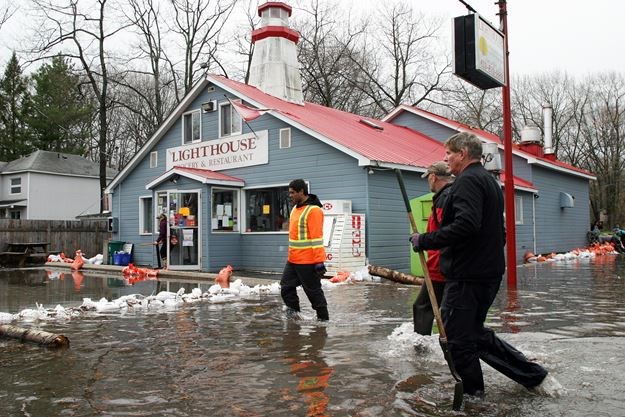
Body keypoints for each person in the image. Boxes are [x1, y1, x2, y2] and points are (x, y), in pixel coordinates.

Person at [409, 132, 548, 397]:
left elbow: (466, 225)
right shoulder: (489, 182)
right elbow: (499, 232)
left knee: (457, 340)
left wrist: (424, 240)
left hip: (467, 276)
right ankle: (533, 376)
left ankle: (473, 398)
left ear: (462, 153)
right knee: (473, 334)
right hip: (486, 273)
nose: (445, 158)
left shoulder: (467, 183)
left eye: (449, 153)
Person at [413, 161, 454, 335]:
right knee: (448, 309)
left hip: (441, 265)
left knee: (422, 306)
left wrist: (422, 241)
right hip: (450, 264)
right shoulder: (452, 194)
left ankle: (421, 350)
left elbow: (444, 235)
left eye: (428, 178)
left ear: (433, 176)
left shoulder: (443, 199)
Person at [280, 179, 329, 321]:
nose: (290, 195)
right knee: (286, 287)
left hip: (308, 261)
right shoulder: (295, 209)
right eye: (289, 193)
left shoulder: (314, 210)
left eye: (292, 193)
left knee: (313, 292)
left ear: (302, 191)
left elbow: (317, 238)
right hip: (293, 259)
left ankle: (323, 320)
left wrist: (319, 262)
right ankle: (294, 314)